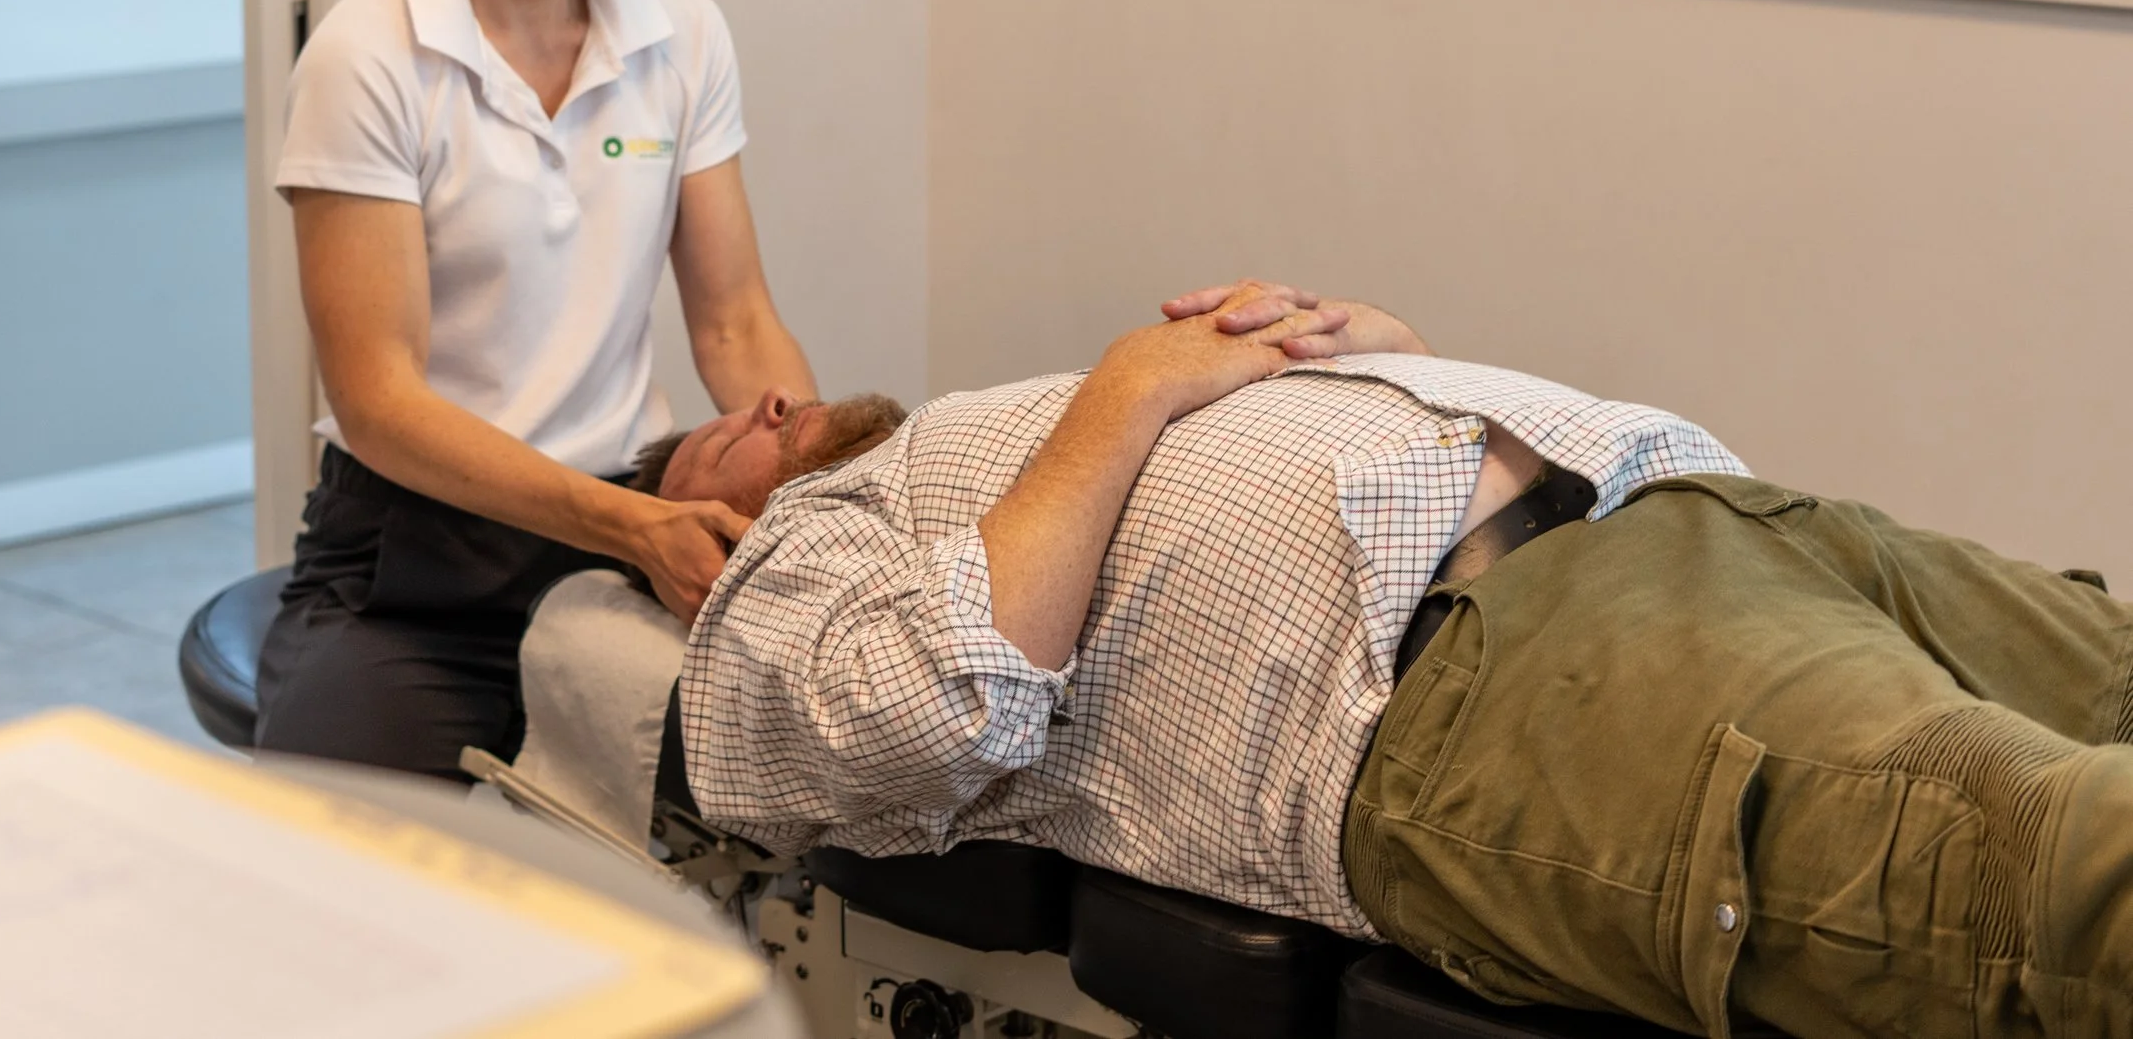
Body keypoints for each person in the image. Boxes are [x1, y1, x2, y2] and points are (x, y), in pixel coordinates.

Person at [658, 282, 2133, 1039]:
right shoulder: (802, 560)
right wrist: (1127, 393)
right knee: (2062, 868)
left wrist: (1398, 365)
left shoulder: (984, 438)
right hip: (1508, 687)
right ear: (696, 534)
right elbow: (921, 711)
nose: (770, 395)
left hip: (1705, 519)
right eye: (721, 433)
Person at [256, 0, 823, 778]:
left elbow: (734, 321)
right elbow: (377, 401)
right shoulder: (369, 57)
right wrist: (626, 528)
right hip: (419, 558)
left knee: (759, 818)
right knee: (355, 844)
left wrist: (819, 485)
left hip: (628, 520)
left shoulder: (681, 35)